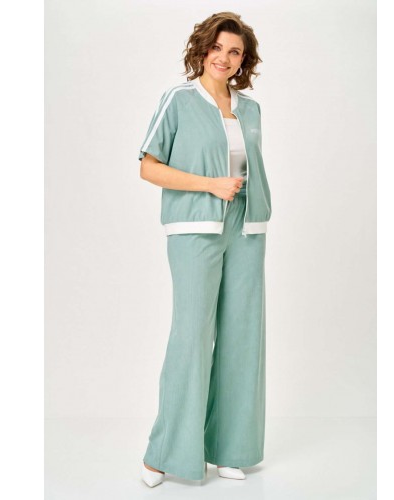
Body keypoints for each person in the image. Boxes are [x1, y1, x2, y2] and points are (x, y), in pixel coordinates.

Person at [138, 11, 272, 487]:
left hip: (247, 226)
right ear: (203, 49)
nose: (224, 57)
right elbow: (148, 166)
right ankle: (165, 453)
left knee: (242, 337)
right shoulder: (178, 99)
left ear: (243, 60)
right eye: (217, 47)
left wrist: (247, 201)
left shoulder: (250, 109)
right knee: (192, 335)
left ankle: (231, 447)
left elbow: (249, 168)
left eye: (234, 51)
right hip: (195, 225)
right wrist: (210, 185)